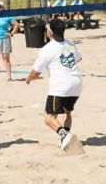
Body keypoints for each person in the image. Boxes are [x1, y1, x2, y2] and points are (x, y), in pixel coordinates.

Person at [24, 17, 82, 149]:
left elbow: (35, 73)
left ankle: (64, 135)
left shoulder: (47, 49)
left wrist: (28, 79)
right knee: (67, 113)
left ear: (50, 32)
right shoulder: (69, 44)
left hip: (61, 85)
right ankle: (65, 141)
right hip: (76, 83)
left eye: (47, 28)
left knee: (49, 117)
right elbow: (78, 58)